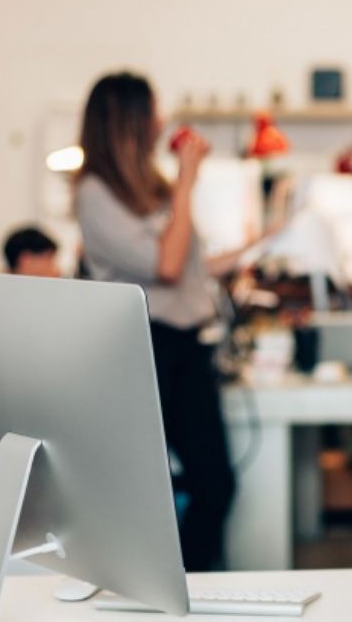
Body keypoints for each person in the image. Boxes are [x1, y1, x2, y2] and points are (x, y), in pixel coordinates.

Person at [74, 71, 242, 572]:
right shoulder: (95, 193)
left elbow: (187, 266)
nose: (162, 120)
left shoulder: (152, 188)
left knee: (215, 483)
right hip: (143, 347)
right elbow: (165, 267)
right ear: (130, 120)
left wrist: (259, 242)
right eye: (152, 111)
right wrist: (188, 180)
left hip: (185, 346)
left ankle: (185, 585)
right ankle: (166, 586)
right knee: (151, 488)